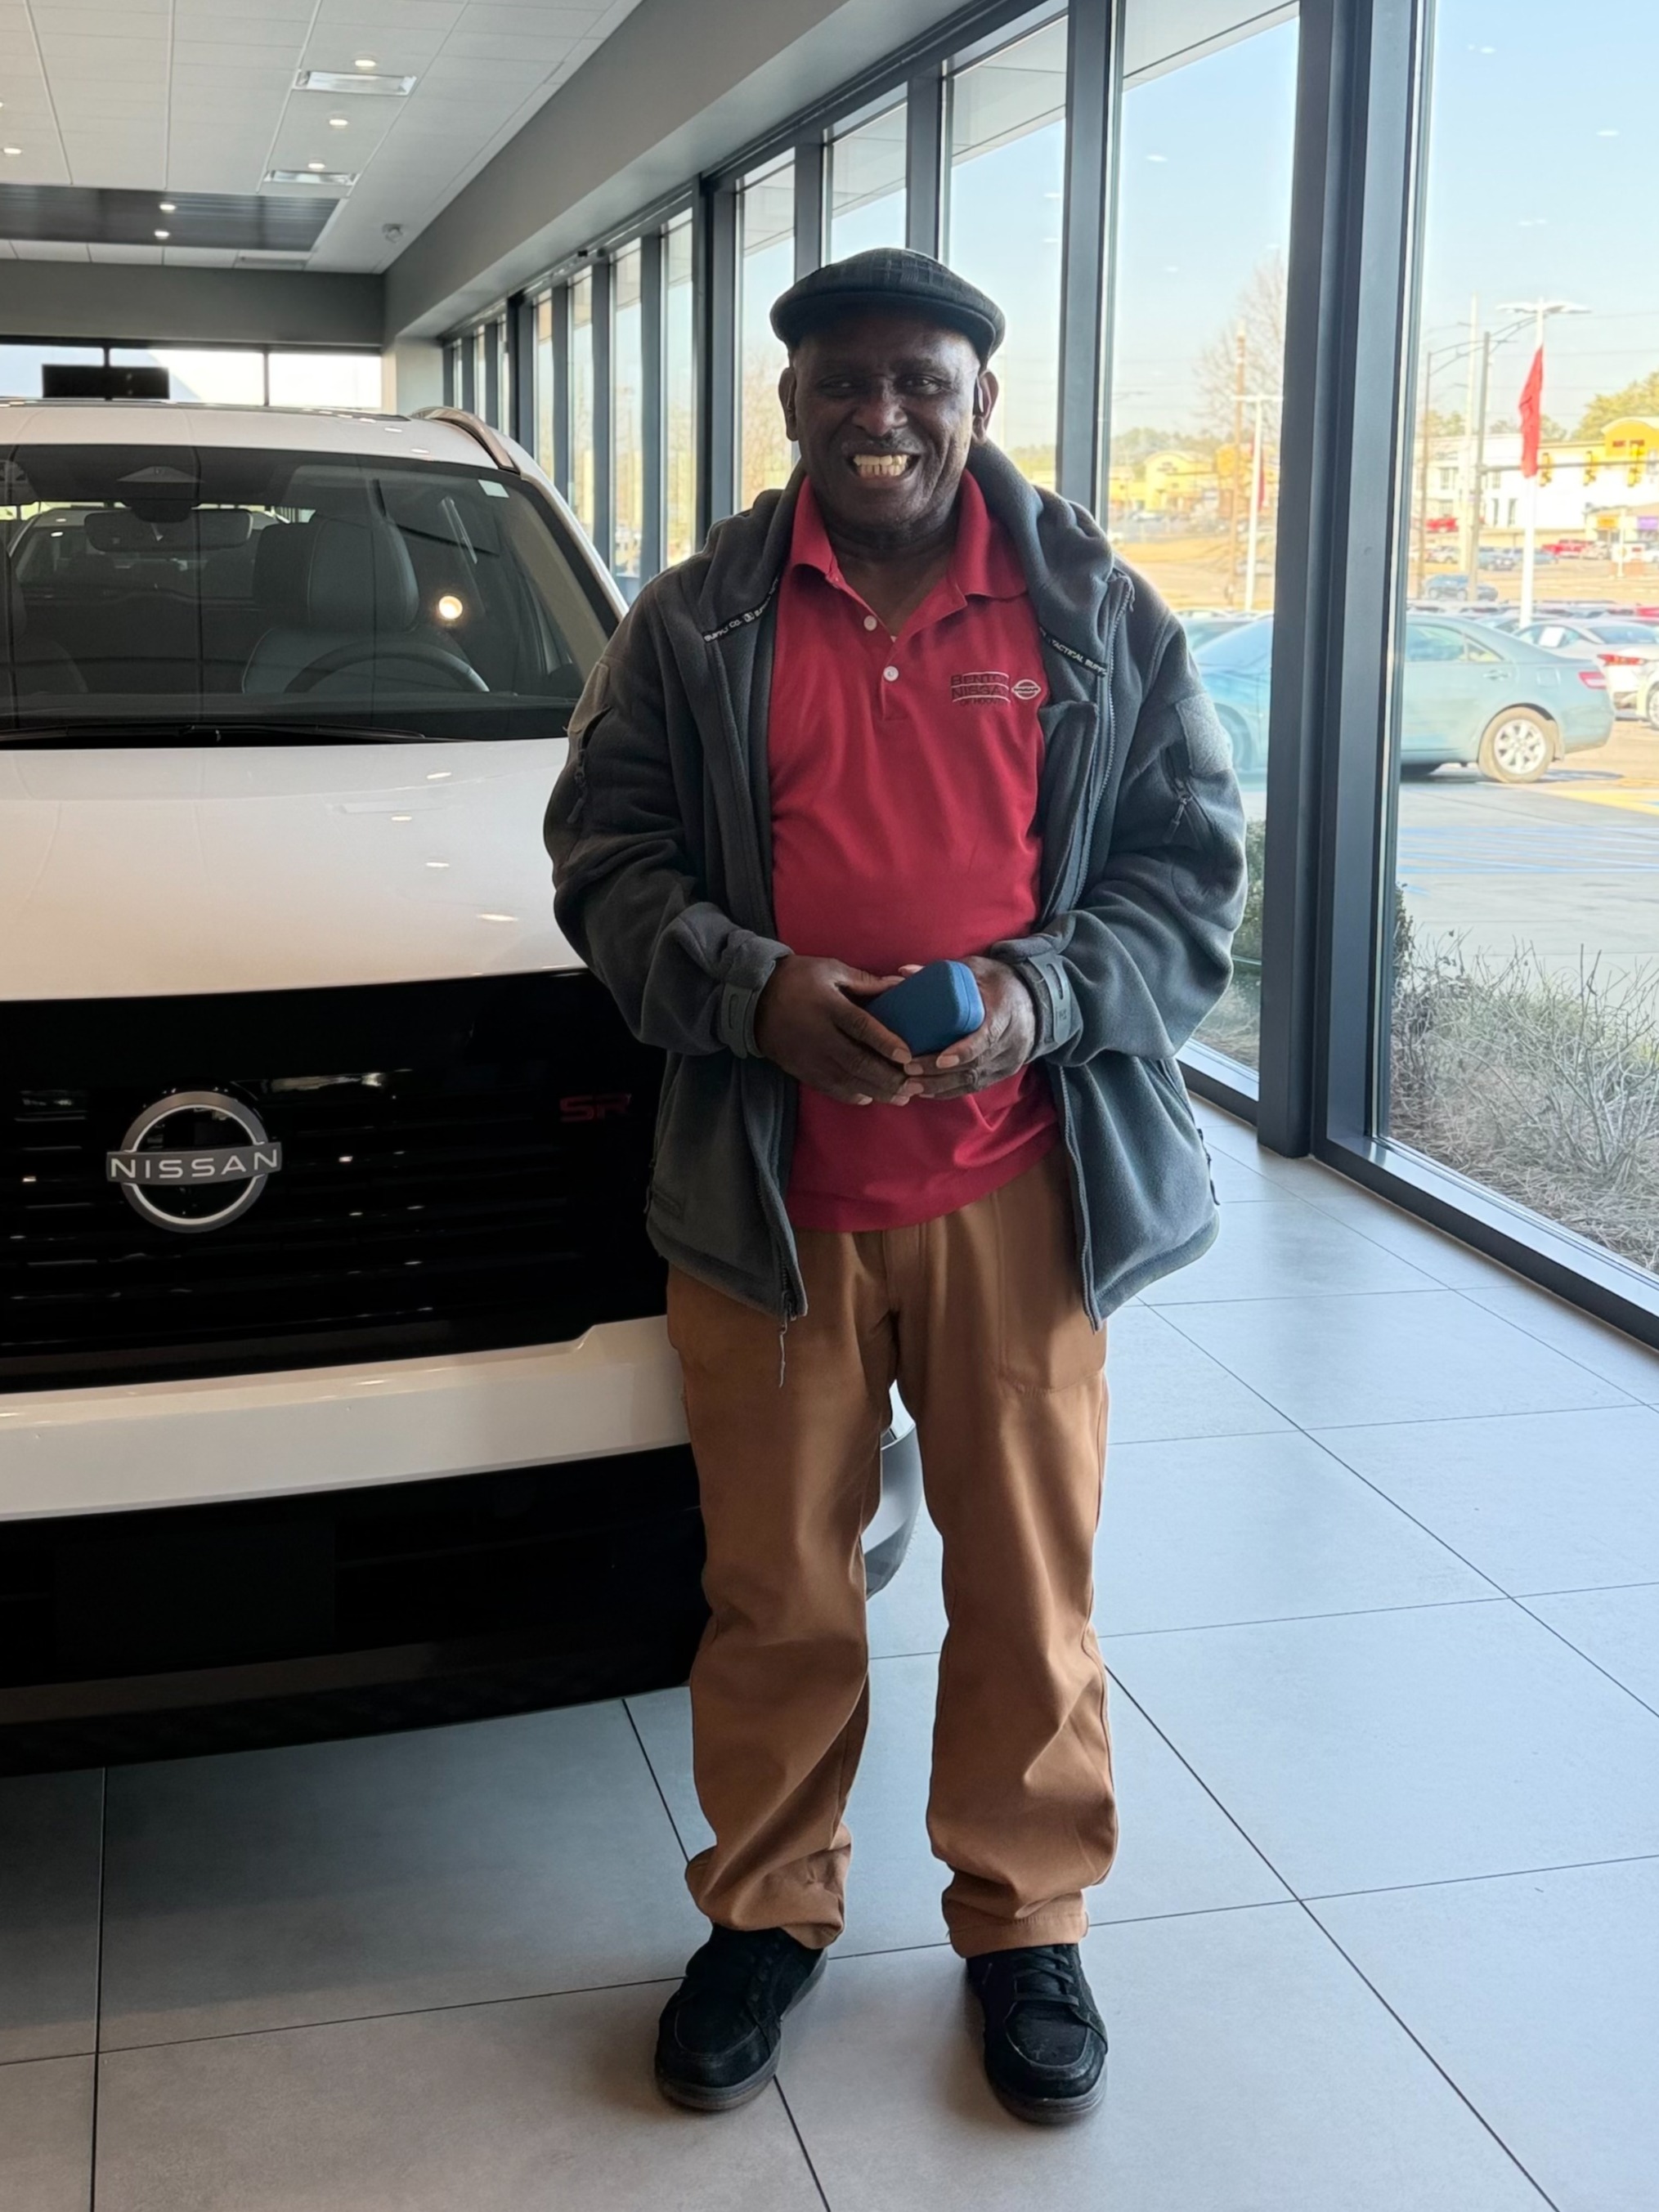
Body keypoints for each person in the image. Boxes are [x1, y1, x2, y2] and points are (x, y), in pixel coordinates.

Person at [545, 247, 1245, 2125]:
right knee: (776, 1590)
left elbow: (1187, 883)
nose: (881, 414)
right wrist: (751, 988)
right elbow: (600, 862)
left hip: (1023, 1186)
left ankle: (1025, 1923)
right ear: (788, 405)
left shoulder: (1091, 612)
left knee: (1030, 1588)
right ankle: (768, 1912)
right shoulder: (696, 621)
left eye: (917, 381)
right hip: (765, 1200)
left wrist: (1040, 992)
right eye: (842, 382)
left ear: (978, 400)